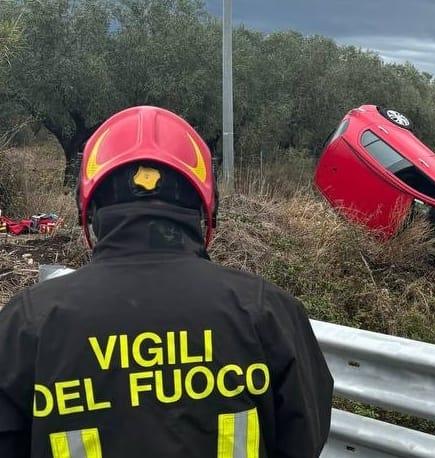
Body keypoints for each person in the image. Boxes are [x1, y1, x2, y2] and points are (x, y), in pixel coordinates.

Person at [0, 106, 334, 457]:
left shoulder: (28, 325)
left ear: (89, 211)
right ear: (206, 210)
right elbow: (303, 439)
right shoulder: (268, 313)